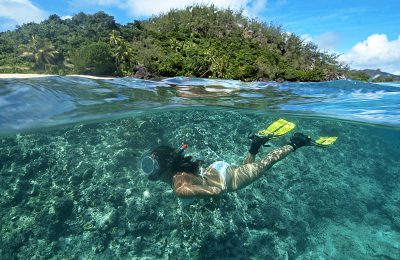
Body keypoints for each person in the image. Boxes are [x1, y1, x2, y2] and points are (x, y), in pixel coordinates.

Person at [140, 132, 312, 198]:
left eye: (150, 166)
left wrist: (215, 194)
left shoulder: (179, 188)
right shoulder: (179, 175)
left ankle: (297, 143)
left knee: (265, 164)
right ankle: (254, 147)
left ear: (164, 168)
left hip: (225, 179)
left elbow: (217, 190)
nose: (147, 172)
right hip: (215, 169)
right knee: (244, 169)